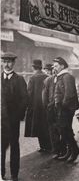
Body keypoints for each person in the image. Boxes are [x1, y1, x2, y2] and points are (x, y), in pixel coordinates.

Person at [1, 52, 28, 181]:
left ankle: (14, 174)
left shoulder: (19, 79)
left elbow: (24, 100)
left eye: (9, 62)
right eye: (4, 61)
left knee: (14, 147)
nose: (7, 64)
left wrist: (17, 116)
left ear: (14, 63)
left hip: (13, 121)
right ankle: (1, 173)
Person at [52, 57, 79, 162]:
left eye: (56, 66)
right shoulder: (60, 76)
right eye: (54, 66)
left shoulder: (67, 77)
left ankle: (75, 150)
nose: (54, 68)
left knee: (65, 129)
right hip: (62, 108)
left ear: (62, 66)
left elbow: (69, 94)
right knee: (65, 129)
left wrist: (62, 105)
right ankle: (71, 151)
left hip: (66, 108)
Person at [24, 59, 52, 152]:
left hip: (36, 107)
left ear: (33, 67)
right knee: (46, 125)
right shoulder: (47, 77)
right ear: (40, 67)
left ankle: (43, 146)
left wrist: (27, 105)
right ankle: (49, 146)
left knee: (38, 126)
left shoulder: (32, 78)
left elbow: (29, 93)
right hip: (46, 105)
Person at [42, 64, 66, 159]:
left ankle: (56, 151)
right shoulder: (62, 79)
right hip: (60, 108)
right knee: (62, 128)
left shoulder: (47, 80)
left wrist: (47, 106)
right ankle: (63, 150)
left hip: (51, 108)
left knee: (53, 130)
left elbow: (44, 97)